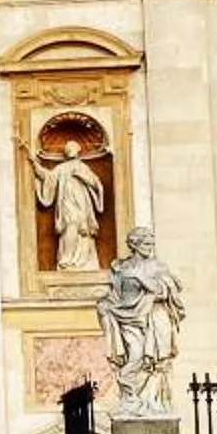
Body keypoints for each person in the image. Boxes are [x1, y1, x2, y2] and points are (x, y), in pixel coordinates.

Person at [96, 228, 185, 416]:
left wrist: (143, 280)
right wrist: (105, 307)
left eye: (152, 244)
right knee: (135, 355)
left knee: (151, 361)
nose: (150, 248)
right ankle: (129, 395)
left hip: (151, 318)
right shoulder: (121, 268)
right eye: (146, 244)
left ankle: (149, 400)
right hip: (127, 318)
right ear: (134, 245)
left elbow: (166, 292)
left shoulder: (158, 267)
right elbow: (114, 295)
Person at [31, 138, 106, 272]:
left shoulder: (83, 167)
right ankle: (66, 260)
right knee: (70, 225)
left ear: (77, 151)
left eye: (73, 148)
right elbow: (48, 177)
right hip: (67, 201)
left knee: (82, 230)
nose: (70, 151)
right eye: (68, 149)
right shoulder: (61, 168)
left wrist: (83, 177)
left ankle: (82, 261)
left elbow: (96, 183)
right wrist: (35, 163)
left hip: (82, 203)